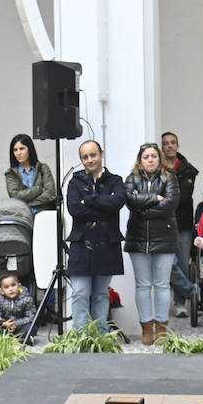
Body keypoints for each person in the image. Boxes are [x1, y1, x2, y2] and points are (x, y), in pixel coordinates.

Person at [66, 140, 126, 332]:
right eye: (85, 157)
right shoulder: (75, 182)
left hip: (106, 244)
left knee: (101, 293)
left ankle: (100, 335)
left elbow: (117, 202)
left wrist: (89, 201)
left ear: (101, 154)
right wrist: (102, 206)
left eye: (93, 155)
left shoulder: (115, 180)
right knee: (80, 292)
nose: (90, 160)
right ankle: (81, 335)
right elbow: (75, 210)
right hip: (81, 244)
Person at [124, 142, 180, 344]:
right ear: (140, 159)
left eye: (153, 156)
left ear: (160, 159)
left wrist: (143, 206)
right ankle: (146, 327)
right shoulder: (132, 179)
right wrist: (155, 198)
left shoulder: (169, 177)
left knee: (162, 285)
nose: (150, 160)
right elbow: (130, 201)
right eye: (146, 156)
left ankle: (162, 327)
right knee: (143, 285)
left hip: (164, 238)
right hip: (138, 239)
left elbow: (170, 205)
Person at [160, 132, 200, 314]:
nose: (170, 146)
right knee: (169, 263)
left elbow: (183, 197)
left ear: (178, 145)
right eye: (166, 143)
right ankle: (192, 292)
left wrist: (163, 198)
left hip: (183, 223)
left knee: (183, 263)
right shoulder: (156, 169)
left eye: (173, 143)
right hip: (162, 223)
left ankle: (180, 303)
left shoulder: (187, 170)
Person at [3, 133, 55, 212]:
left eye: (22, 148)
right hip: (22, 215)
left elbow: (50, 194)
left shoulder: (43, 168)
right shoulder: (11, 173)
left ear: (29, 149)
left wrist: (26, 203)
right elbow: (15, 196)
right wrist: (38, 189)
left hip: (43, 214)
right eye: (15, 150)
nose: (18, 153)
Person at [0, 272, 35, 340]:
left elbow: (31, 317)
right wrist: (3, 323)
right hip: (5, 326)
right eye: (6, 287)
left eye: (13, 285)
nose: (11, 289)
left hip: (20, 326)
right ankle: (7, 339)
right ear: (2, 291)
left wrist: (16, 324)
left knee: (31, 327)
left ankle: (19, 339)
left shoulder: (27, 299)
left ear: (19, 286)